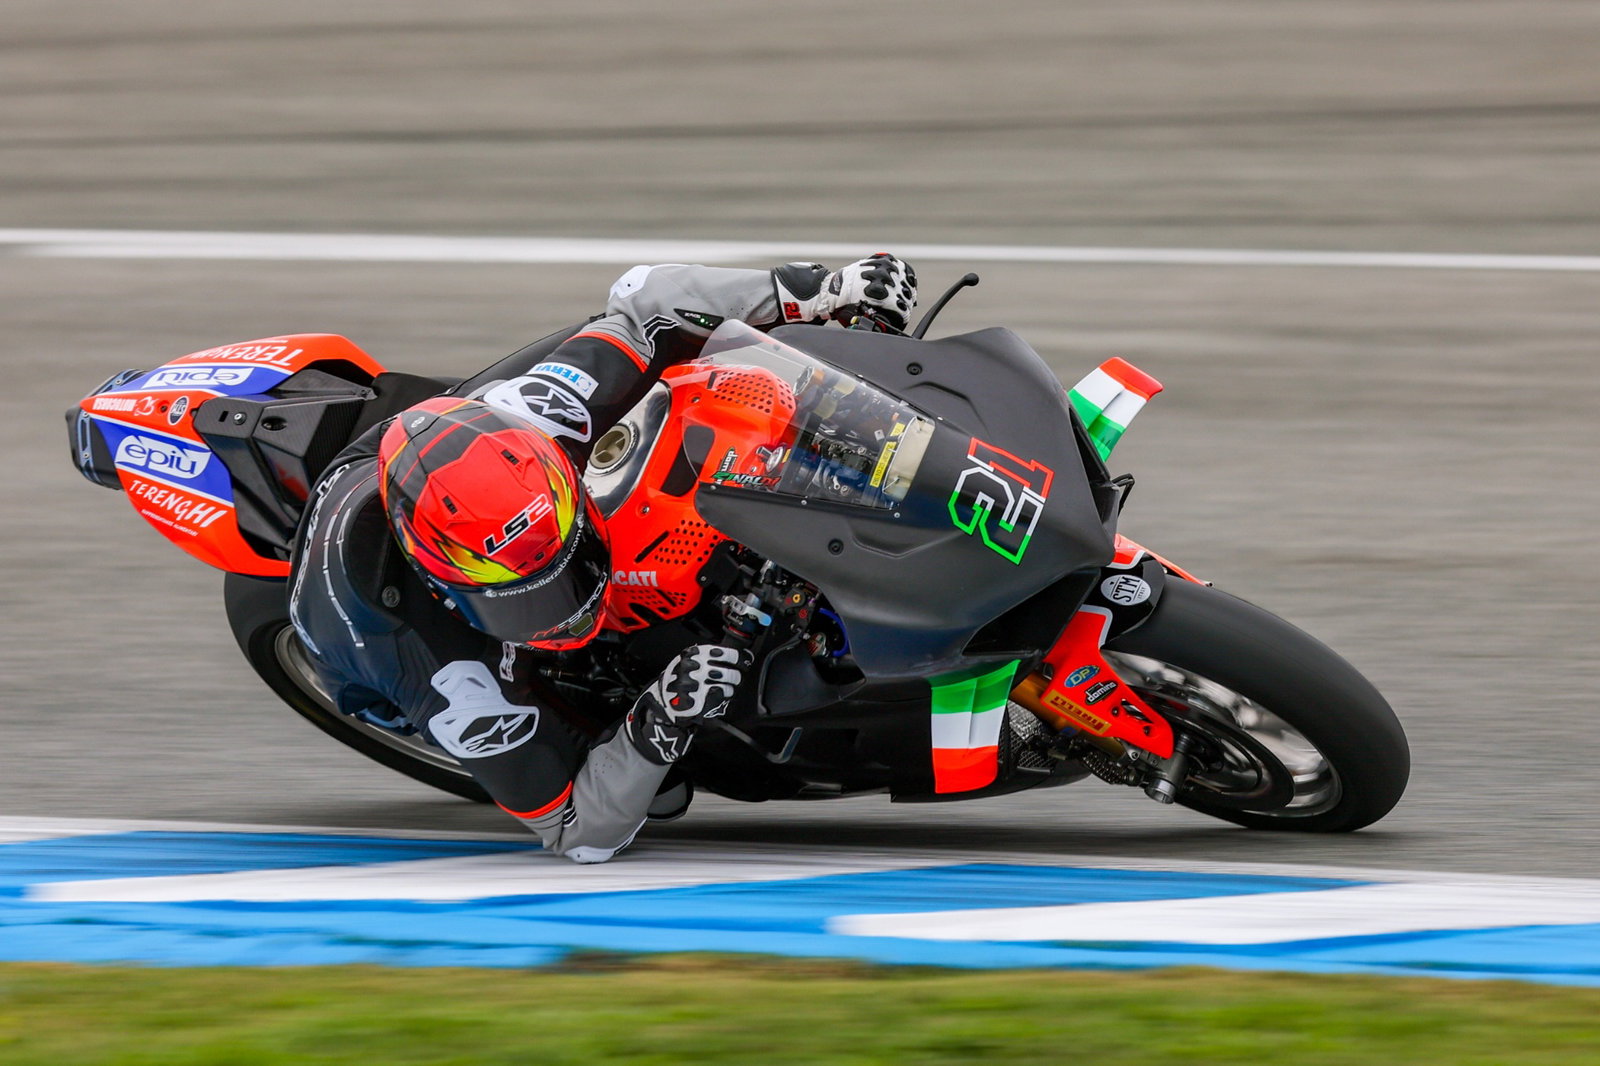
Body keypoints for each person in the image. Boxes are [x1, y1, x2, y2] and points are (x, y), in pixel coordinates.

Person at [288, 254, 918, 863]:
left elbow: (646, 298)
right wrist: (660, 715)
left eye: (570, 565)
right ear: (443, 585)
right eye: (534, 593)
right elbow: (578, 832)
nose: (571, 604)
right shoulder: (434, 668)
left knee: (678, 362)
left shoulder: (539, 418)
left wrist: (816, 292)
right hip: (389, 647)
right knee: (661, 795)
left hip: (450, 444)